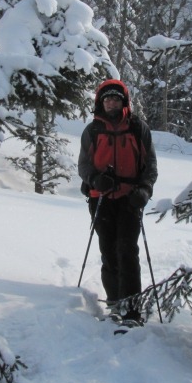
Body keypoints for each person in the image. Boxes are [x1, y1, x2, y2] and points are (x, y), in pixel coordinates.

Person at [78, 79, 158, 325]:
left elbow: (150, 166)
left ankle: (132, 309)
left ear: (124, 102)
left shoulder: (137, 128)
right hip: (100, 198)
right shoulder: (92, 130)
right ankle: (114, 302)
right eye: (107, 99)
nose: (111, 103)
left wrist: (144, 190)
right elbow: (83, 165)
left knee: (127, 250)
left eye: (116, 99)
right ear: (100, 102)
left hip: (130, 199)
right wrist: (94, 179)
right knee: (108, 250)